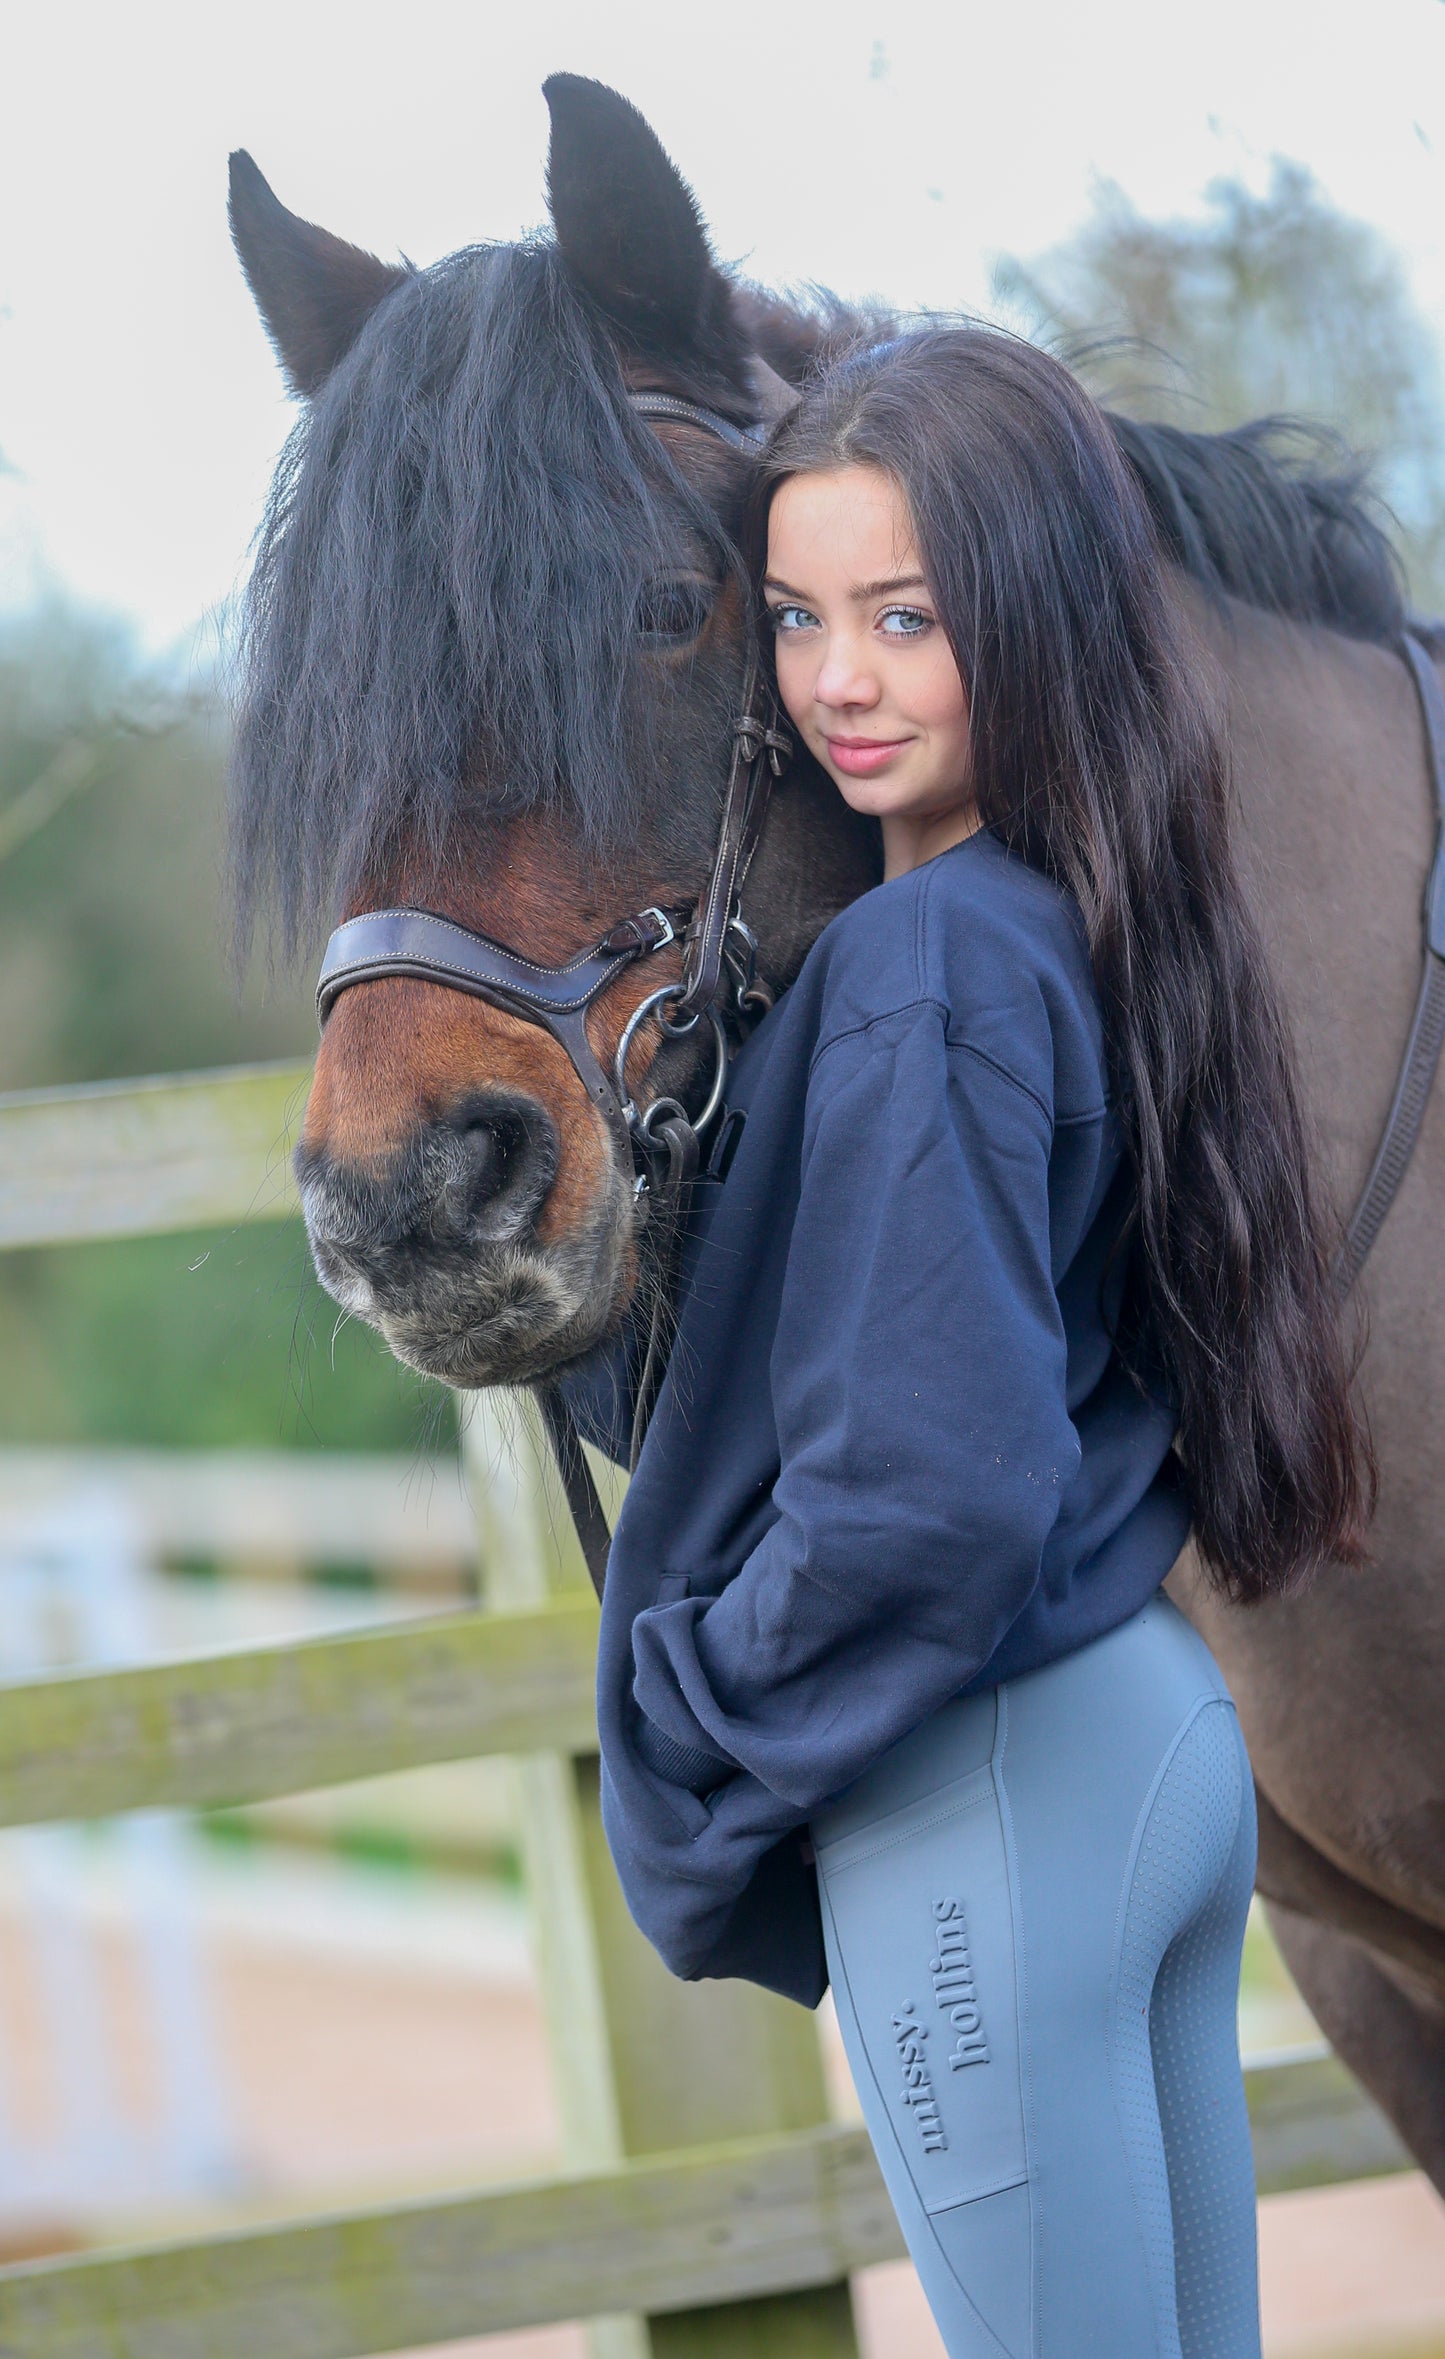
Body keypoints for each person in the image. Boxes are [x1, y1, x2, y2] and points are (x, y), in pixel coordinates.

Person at [576, 328, 1373, 2357]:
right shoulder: (1083, 911)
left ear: (1028, 617)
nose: (838, 682)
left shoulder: (928, 962)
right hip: (1154, 1731)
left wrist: (685, 1698)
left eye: (907, 621)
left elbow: (933, 1493)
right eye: (796, 619)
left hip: (988, 1796)